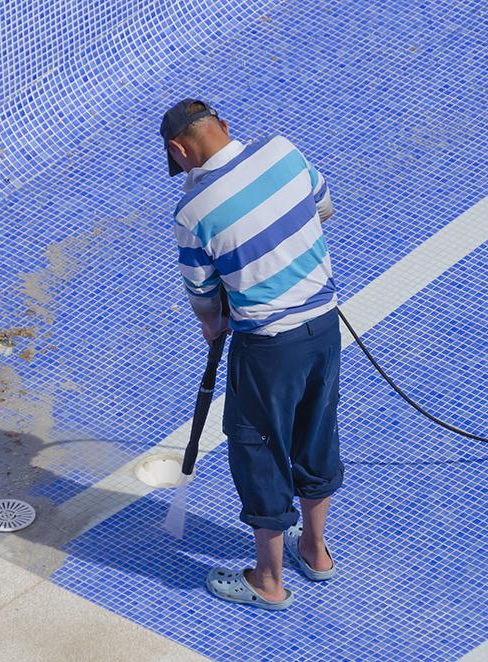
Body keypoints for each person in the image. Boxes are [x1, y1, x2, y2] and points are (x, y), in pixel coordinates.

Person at [160, 98, 344, 610]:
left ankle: (268, 581)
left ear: (180, 150)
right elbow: (323, 207)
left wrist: (216, 325)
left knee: (258, 450)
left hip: (266, 349)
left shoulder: (192, 211)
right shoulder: (283, 151)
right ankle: (315, 551)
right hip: (325, 328)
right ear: (223, 126)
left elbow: (205, 298)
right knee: (316, 433)